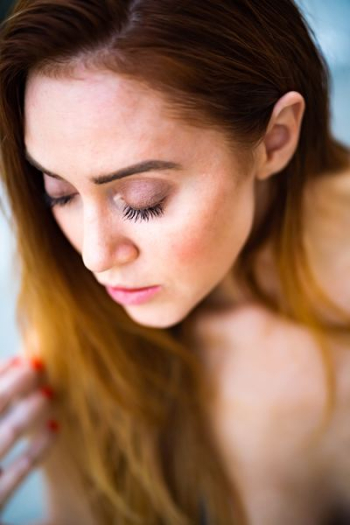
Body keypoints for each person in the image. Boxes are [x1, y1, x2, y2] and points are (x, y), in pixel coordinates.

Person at [0, 0, 349, 524]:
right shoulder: (72, 300)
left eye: (142, 199)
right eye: (59, 193)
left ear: (275, 139)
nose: (95, 256)